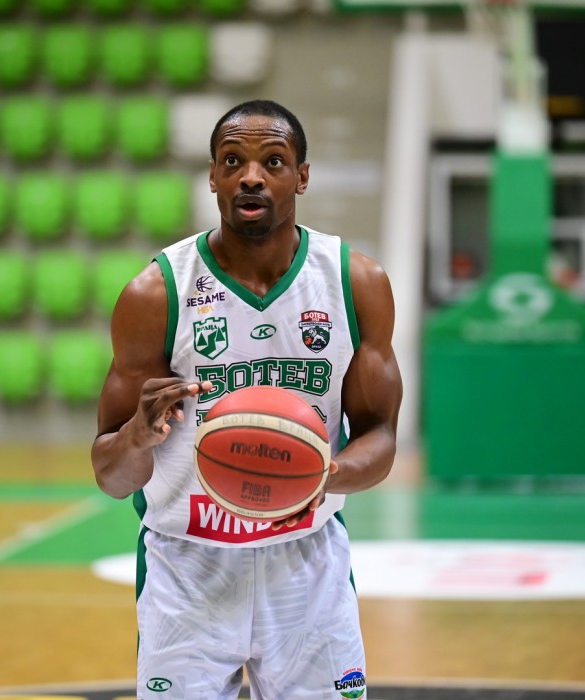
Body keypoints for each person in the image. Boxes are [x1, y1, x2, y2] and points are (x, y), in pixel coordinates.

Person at [90, 99, 403, 699]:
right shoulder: (156, 294)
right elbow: (109, 474)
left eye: (273, 161)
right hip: (188, 567)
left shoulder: (354, 282)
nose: (251, 176)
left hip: (305, 563)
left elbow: (381, 435)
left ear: (302, 177)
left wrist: (324, 475)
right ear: (213, 177)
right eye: (232, 161)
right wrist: (136, 436)